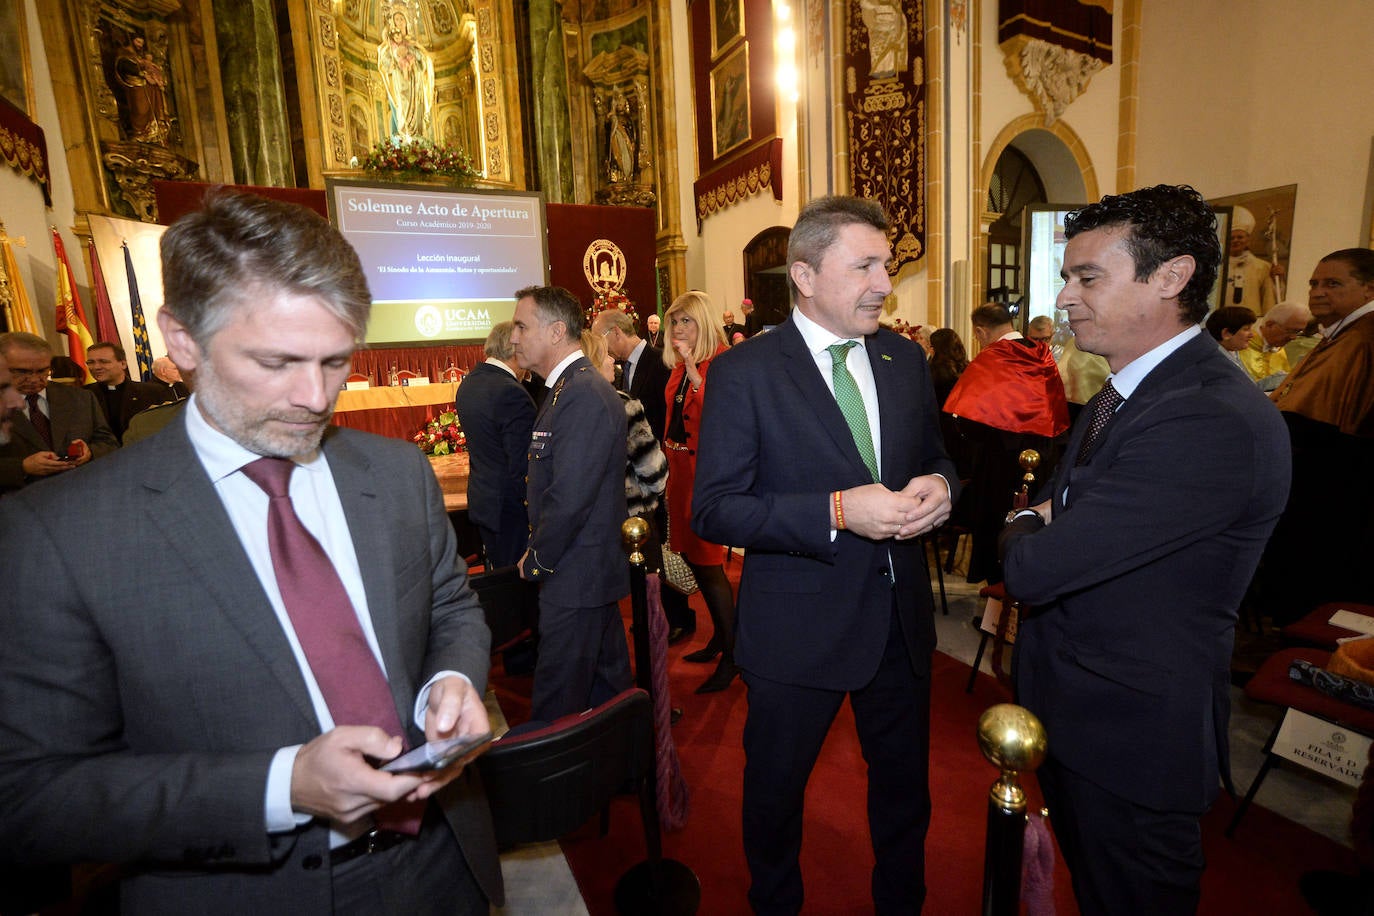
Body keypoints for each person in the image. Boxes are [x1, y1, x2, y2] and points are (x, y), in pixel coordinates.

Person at [0, 191, 502, 913]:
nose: (314, 396)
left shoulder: (395, 475)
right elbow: (30, 797)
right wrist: (282, 786)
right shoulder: (59, 531)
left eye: (336, 361)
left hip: (442, 864)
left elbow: (452, 605)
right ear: (182, 341)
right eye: (277, 362)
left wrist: (446, 682)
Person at [999, 184, 1290, 915]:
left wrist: (1026, 521)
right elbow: (1064, 514)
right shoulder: (1120, 394)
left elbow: (1034, 566)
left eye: (1087, 277)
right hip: (1081, 713)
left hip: (1130, 741)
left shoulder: (1207, 416)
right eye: (1067, 277)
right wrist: (1051, 514)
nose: (1064, 297)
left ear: (1171, 277)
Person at [692, 196, 957, 913]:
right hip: (796, 630)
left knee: (905, 799)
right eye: (864, 265)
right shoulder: (744, 372)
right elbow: (715, 507)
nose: (883, 283)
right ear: (804, 275)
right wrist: (838, 511)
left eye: (886, 266)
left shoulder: (904, 359)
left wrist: (940, 486)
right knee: (774, 800)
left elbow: (936, 457)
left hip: (900, 623)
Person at [510, 285, 633, 722]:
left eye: (522, 327)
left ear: (557, 331)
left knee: (557, 701)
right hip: (584, 569)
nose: (513, 338)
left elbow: (570, 496)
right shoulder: (566, 389)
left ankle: (552, 789)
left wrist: (539, 557)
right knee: (608, 690)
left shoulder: (580, 393)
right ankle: (625, 770)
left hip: (576, 571)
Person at [1253, 248, 1374, 624]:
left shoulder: (1363, 339)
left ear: (1369, 289)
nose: (1318, 292)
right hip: (1313, 467)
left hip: (1333, 479)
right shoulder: (1340, 334)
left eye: (1333, 283)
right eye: (1314, 283)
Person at [943, 302, 1069, 584]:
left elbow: (968, 420)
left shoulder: (992, 358)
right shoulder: (1043, 353)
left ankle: (996, 606)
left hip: (1001, 461)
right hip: (1043, 458)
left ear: (980, 330)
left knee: (997, 527)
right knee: (1032, 525)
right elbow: (1056, 409)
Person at [593, 307, 696, 642]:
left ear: (615, 333)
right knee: (652, 556)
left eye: (600, 336)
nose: (601, 346)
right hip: (642, 475)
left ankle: (679, 617)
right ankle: (656, 615)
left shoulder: (659, 360)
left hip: (659, 470)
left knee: (665, 553)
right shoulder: (619, 371)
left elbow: (672, 417)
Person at [661, 290, 741, 693]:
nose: (678, 329)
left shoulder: (722, 362)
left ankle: (734, 655)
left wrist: (695, 372)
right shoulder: (678, 365)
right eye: (674, 321)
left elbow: (723, 418)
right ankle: (719, 639)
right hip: (679, 475)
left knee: (710, 567)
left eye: (686, 321)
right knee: (694, 562)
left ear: (704, 323)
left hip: (704, 479)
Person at [453, 321, 536, 569]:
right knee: (518, 587)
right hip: (510, 509)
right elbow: (523, 462)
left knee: (500, 576)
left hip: (484, 500)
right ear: (514, 349)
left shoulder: (470, 383)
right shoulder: (510, 391)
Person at [0, 332, 119, 494]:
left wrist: (90, 452)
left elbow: (109, 443)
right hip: (19, 505)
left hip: (85, 497)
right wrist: (23, 467)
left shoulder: (80, 398)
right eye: (22, 372)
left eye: (42, 371)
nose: (35, 379)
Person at [84, 340, 174, 443]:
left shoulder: (153, 392)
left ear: (123, 364)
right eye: (91, 363)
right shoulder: (83, 395)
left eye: (104, 361)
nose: (96, 367)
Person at [376, 8, 435, 142]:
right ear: (393, 24)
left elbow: (424, 61)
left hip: (415, 83)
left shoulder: (413, 44)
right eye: (397, 19)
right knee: (403, 107)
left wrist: (415, 57)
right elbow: (384, 63)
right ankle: (405, 133)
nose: (400, 22)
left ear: (406, 23)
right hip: (399, 83)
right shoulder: (389, 46)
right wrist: (394, 61)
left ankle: (417, 133)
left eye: (402, 19)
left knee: (416, 108)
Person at [1239, 301, 1311, 386]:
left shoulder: (1279, 350)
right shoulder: (1240, 347)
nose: (1294, 337)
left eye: (1299, 332)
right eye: (1291, 331)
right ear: (1270, 325)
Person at [1225, 205, 1277, 315]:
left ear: (1248, 240)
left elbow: (1269, 300)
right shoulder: (1218, 267)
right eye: (1231, 238)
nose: (1235, 241)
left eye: (1240, 237)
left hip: (1251, 324)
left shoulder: (1263, 267)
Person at [1204, 304, 1257, 371]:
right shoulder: (1213, 364)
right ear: (1226, 333)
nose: (1252, 335)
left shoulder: (1234, 354)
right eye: (1246, 329)